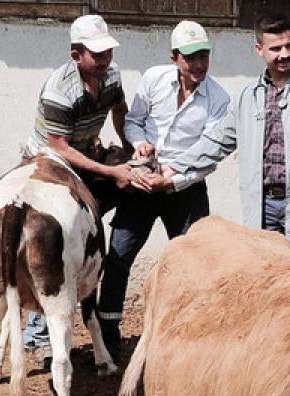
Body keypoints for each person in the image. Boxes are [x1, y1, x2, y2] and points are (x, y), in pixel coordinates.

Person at [140, 12, 290, 270]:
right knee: (265, 274)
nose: (284, 54)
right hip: (264, 203)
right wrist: (174, 166)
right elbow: (217, 141)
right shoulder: (247, 96)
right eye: (275, 48)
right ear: (259, 49)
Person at [96, 20, 230, 362]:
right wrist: (140, 146)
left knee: (198, 265)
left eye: (203, 56)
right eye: (190, 58)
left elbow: (208, 157)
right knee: (119, 257)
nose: (198, 64)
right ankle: (108, 341)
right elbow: (133, 120)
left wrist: (170, 179)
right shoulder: (154, 78)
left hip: (185, 190)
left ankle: (197, 341)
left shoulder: (218, 98)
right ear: (175, 57)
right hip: (143, 184)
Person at [22, 14, 132, 364]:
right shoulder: (60, 90)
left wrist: (130, 145)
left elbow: (119, 109)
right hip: (48, 164)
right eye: (96, 54)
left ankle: (91, 295)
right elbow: (60, 148)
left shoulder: (111, 76)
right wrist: (111, 169)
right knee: (52, 242)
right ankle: (36, 335)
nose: (104, 61)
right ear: (76, 55)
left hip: (86, 157)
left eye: (107, 53)